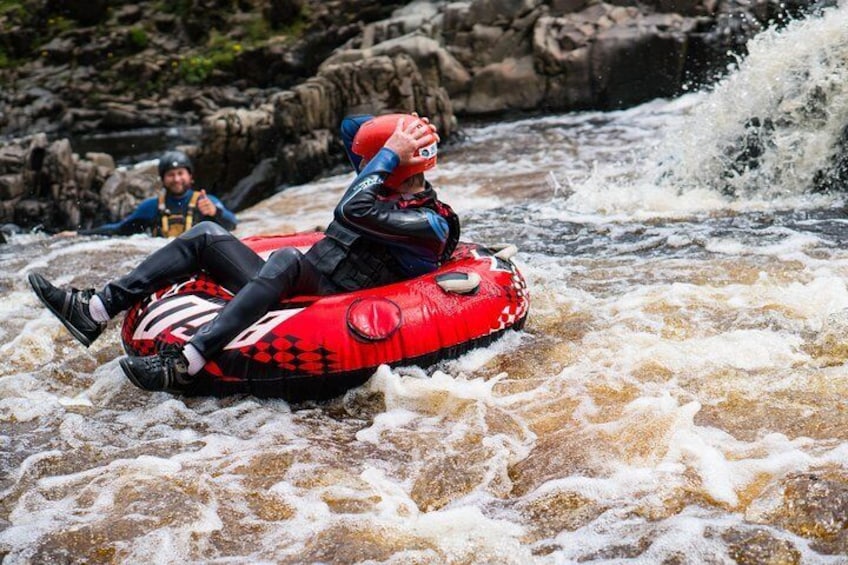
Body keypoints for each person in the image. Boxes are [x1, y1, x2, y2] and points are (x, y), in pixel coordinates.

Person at [28, 112, 459, 393]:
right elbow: (351, 128)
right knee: (208, 233)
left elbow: (350, 208)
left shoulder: (428, 223)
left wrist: (390, 151)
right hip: (308, 279)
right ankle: (97, 309)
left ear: (391, 165)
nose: (363, 163)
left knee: (285, 259)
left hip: (336, 298)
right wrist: (408, 128)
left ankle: (186, 362)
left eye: (375, 160)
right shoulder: (381, 179)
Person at [59, 150, 237, 237]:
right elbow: (119, 229)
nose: (176, 179)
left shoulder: (207, 202)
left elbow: (233, 224)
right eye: (170, 175)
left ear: (190, 176)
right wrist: (78, 235)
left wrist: (216, 213)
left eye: (180, 173)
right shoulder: (151, 207)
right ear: (162, 179)